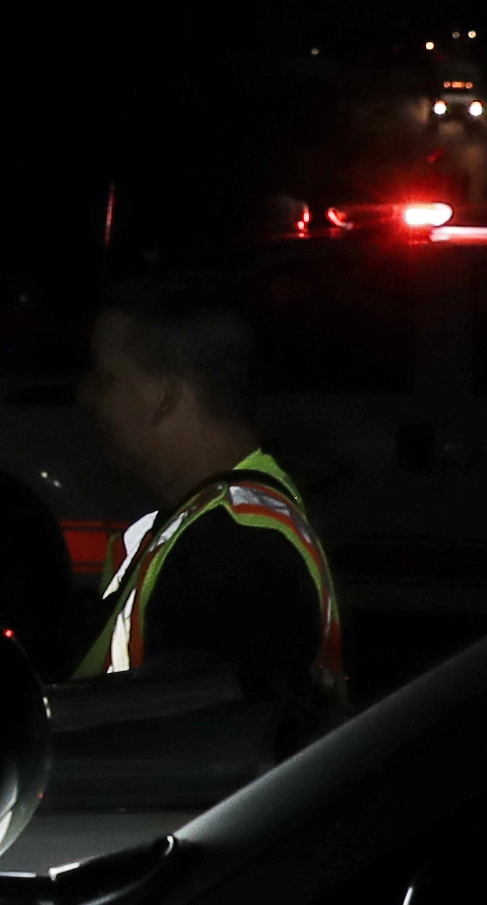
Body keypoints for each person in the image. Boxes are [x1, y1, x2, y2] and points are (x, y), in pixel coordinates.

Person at [70, 274, 346, 720]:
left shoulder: (235, 550)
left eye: (106, 378)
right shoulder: (215, 521)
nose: (87, 396)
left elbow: (195, 755)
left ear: (164, 396)